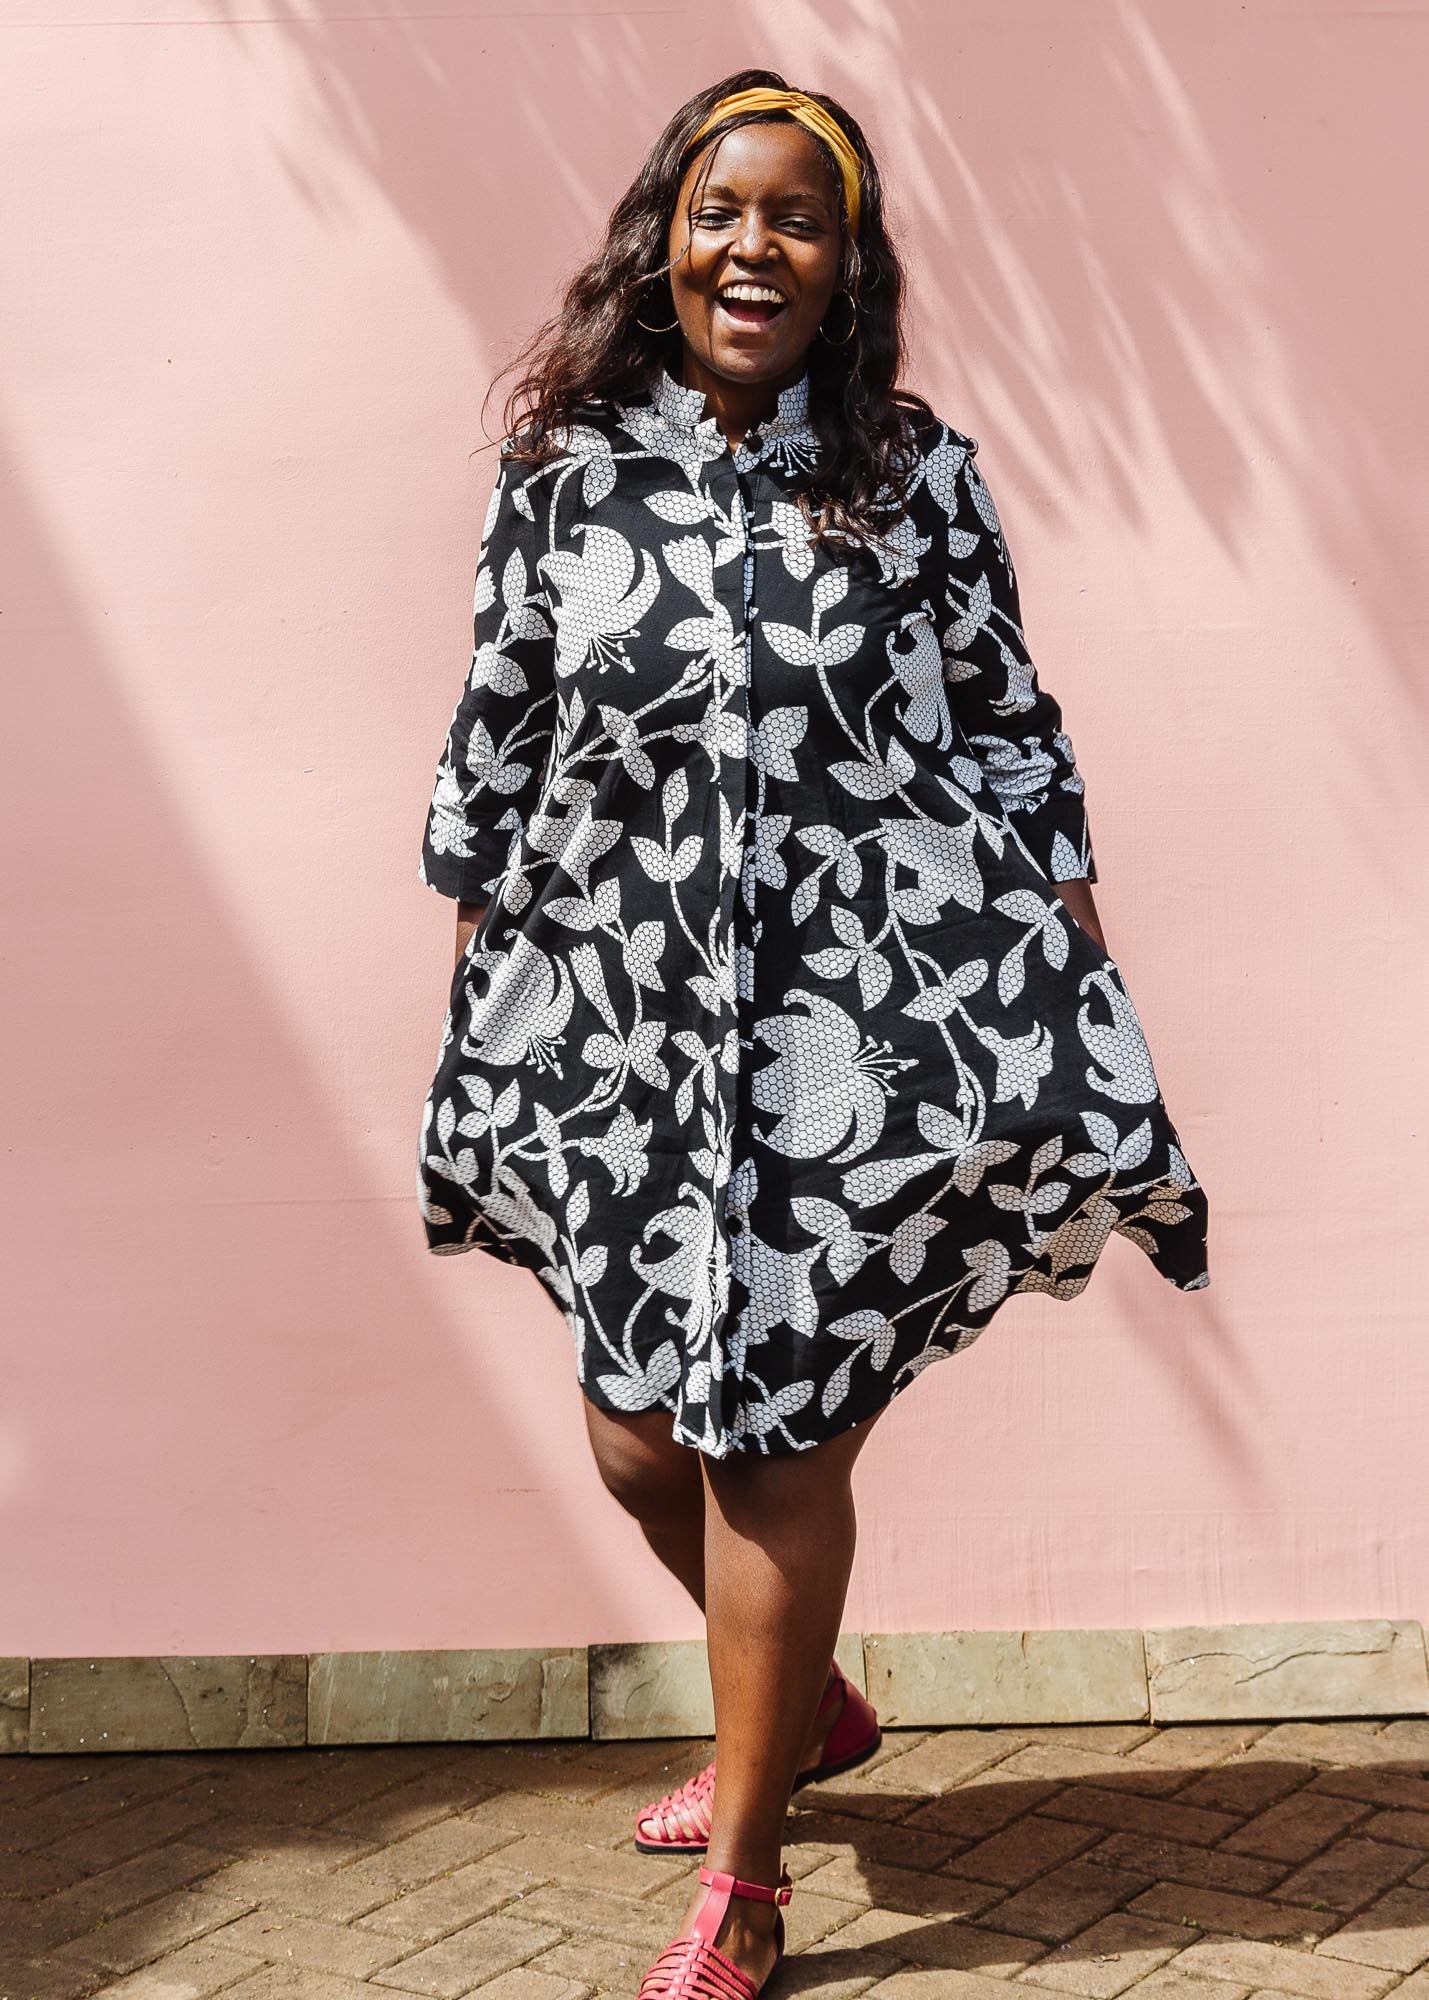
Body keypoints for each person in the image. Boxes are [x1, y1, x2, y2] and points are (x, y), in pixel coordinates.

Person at [414, 70, 1211, 2000]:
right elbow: (500, 718)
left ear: (846, 266)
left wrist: (1067, 943)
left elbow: (1003, 716)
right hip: (619, 1005)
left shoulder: (912, 475)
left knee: (772, 1447)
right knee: (636, 1437)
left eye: (798, 218)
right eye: (721, 211)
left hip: (851, 1022)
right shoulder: (564, 476)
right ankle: (806, 1711)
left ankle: (746, 1886)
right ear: (662, 241)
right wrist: (478, 954)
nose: (753, 246)